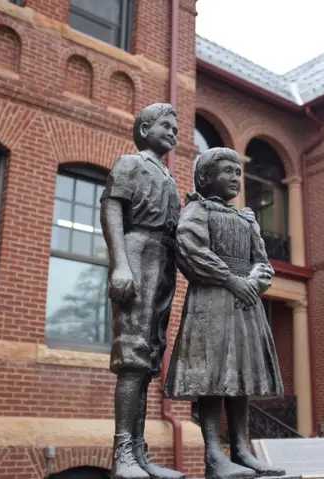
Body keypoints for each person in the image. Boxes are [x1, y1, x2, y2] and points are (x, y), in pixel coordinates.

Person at [165, 147, 287, 479]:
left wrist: (255, 282)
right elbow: (190, 249)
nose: (235, 177)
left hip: (245, 304)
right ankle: (214, 455)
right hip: (212, 301)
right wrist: (231, 280)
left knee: (240, 375)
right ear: (205, 177)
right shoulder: (197, 210)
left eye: (238, 172)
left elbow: (262, 260)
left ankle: (242, 450)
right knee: (213, 375)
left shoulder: (247, 218)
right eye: (227, 171)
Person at [100, 103, 185, 479]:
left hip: (164, 262)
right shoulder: (130, 164)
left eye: (176, 128)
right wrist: (120, 263)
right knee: (132, 356)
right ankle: (123, 454)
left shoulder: (168, 178)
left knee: (149, 360)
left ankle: (138, 450)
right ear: (145, 127)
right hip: (138, 253)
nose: (173, 133)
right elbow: (112, 209)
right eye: (166, 125)